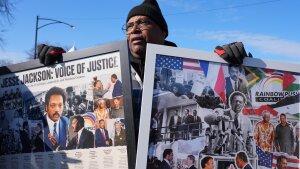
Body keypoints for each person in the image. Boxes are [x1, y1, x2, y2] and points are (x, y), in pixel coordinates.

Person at [37, 0, 248, 146]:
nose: (134, 29)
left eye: (143, 22)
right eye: (129, 26)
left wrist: (235, 63)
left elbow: (221, 98)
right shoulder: (112, 70)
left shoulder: (189, 71)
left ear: (163, 31)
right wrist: (59, 65)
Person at [43, 86, 69, 151]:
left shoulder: (66, 121)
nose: (57, 109)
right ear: (46, 107)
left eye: (60, 105)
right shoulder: (39, 125)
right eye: (53, 105)